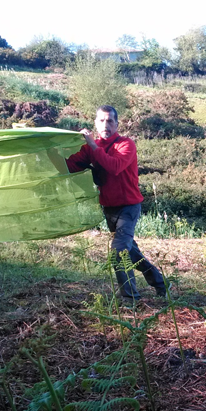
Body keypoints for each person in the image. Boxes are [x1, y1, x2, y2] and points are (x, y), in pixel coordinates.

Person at [66, 105, 166, 302]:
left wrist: (92, 146)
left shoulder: (126, 144)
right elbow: (69, 165)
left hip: (128, 207)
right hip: (109, 208)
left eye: (110, 121)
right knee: (131, 253)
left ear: (117, 124)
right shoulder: (90, 146)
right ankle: (162, 284)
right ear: (95, 123)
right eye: (101, 121)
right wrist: (50, 148)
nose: (106, 125)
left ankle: (131, 299)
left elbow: (115, 167)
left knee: (119, 252)